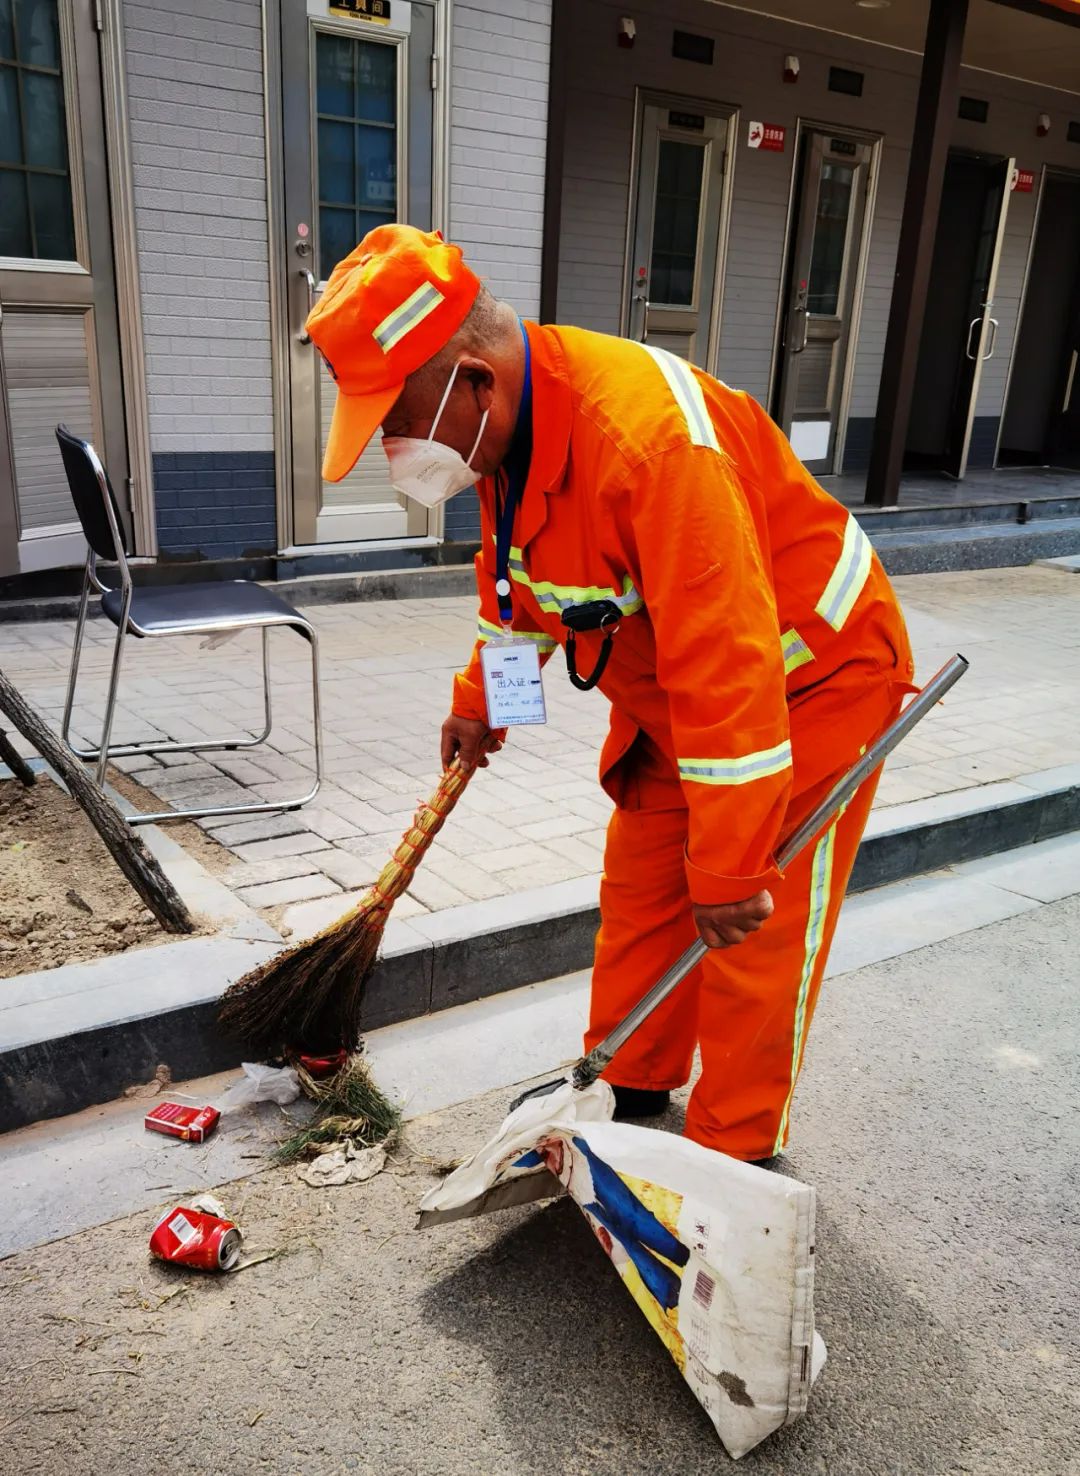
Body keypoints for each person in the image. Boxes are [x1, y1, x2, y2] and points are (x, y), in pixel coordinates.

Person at [306, 224, 915, 1163]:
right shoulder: (501, 441)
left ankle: (732, 1152)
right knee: (642, 887)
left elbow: (731, 664)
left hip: (808, 681)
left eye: (394, 417)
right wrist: (483, 698)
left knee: (752, 921)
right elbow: (519, 587)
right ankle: (626, 1078)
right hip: (677, 690)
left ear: (473, 379)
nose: (392, 447)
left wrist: (726, 866)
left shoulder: (653, 444)